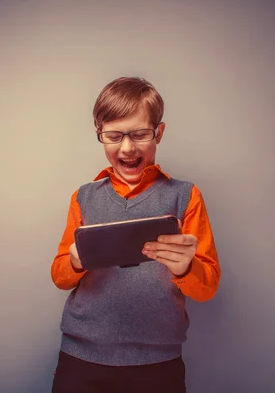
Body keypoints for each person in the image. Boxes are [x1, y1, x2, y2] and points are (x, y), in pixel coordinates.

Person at [50, 76, 220, 392]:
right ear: (99, 135)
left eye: (140, 134)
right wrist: (74, 260)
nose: (127, 147)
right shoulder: (83, 197)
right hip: (81, 357)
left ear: (159, 133)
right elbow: (59, 277)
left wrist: (185, 268)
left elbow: (207, 286)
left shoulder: (185, 197)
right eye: (114, 136)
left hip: (157, 364)